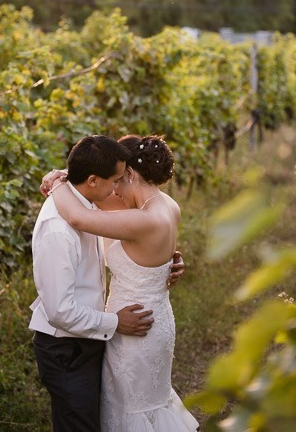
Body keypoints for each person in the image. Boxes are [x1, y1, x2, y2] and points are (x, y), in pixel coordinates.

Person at [29, 134, 183, 432]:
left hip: (130, 327)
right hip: (86, 337)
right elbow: (59, 310)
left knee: (127, 413)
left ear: (130, 174)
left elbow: (79, 216)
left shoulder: (111, 210)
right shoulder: (164, 205)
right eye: (112, 181)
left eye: (118, 182)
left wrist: (57, 180)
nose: (115, 191)